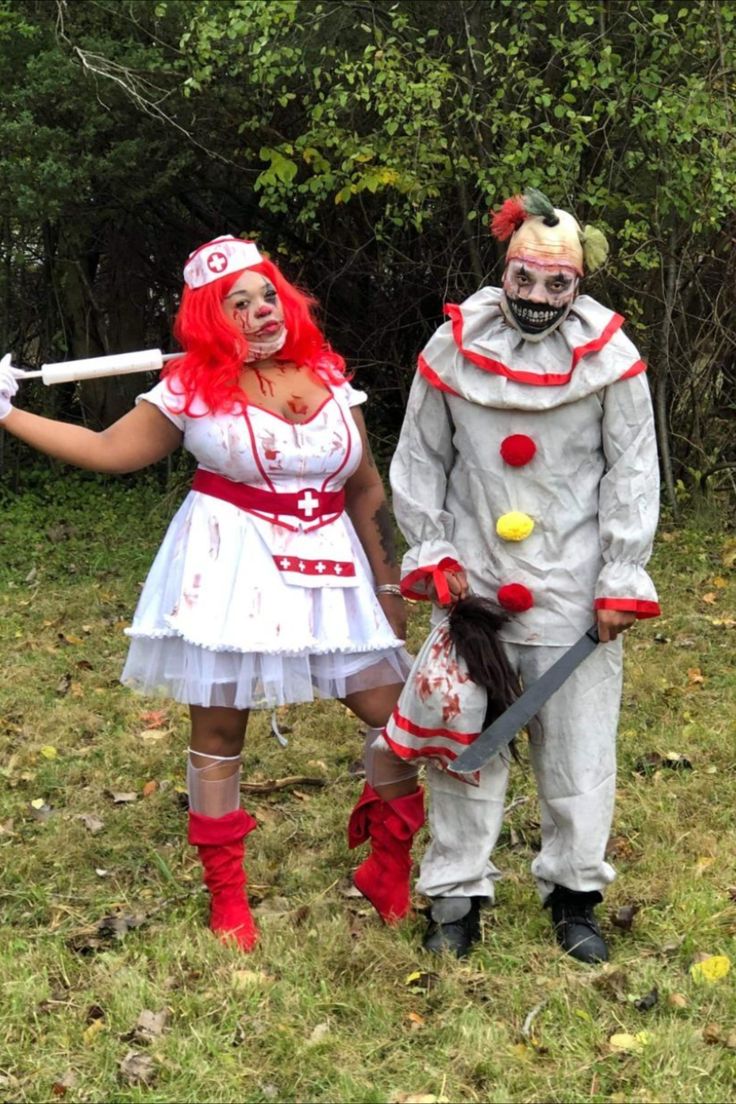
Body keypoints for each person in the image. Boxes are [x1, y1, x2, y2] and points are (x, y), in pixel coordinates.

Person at [0, 235, 425, 952]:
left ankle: (387, 865)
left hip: (335, 566)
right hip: (234, 567)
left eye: (269, 297)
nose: (262, 313)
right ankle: (228, 897)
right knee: (221, 730)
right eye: (239, 304)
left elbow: (365, 486)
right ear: (209, 318)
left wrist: (389, 581)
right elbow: (109, 450)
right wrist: (6, 413)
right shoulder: (190, 385)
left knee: (396, 717)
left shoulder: (326, 373)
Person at [388, 190, 661, 962]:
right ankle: (455, 897)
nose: (537, 299)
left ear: (577, 286)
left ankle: (575, 895)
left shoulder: (610, 359)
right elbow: (420, 460)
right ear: (504, 272)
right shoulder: (451, 348)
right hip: (471, 590)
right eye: (524, 280)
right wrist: (433, 551)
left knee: (579, 753)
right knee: (463, 748)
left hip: (573, 594)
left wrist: (620, 572)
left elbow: (631, 472)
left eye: (557, 285)